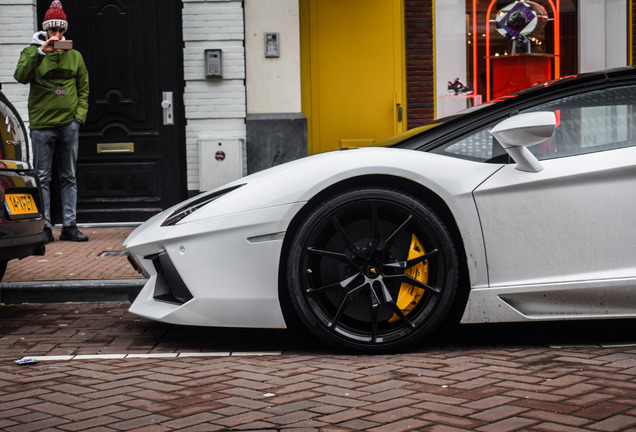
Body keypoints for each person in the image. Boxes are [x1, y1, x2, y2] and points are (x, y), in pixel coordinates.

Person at [14, 0, 89, 243]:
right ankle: (44, 227)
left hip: (69, 124)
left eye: (60, 31)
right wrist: (39, 53)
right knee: (43, 177)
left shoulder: (75, 56)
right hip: (41, 125)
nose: (56, 35)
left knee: (69, 176)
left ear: (64, 31)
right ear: (45, 31)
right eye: (52, 31)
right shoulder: (31, 52)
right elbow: (20, 76)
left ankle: (69, 225)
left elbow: (83, 89)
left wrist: (78, 118)